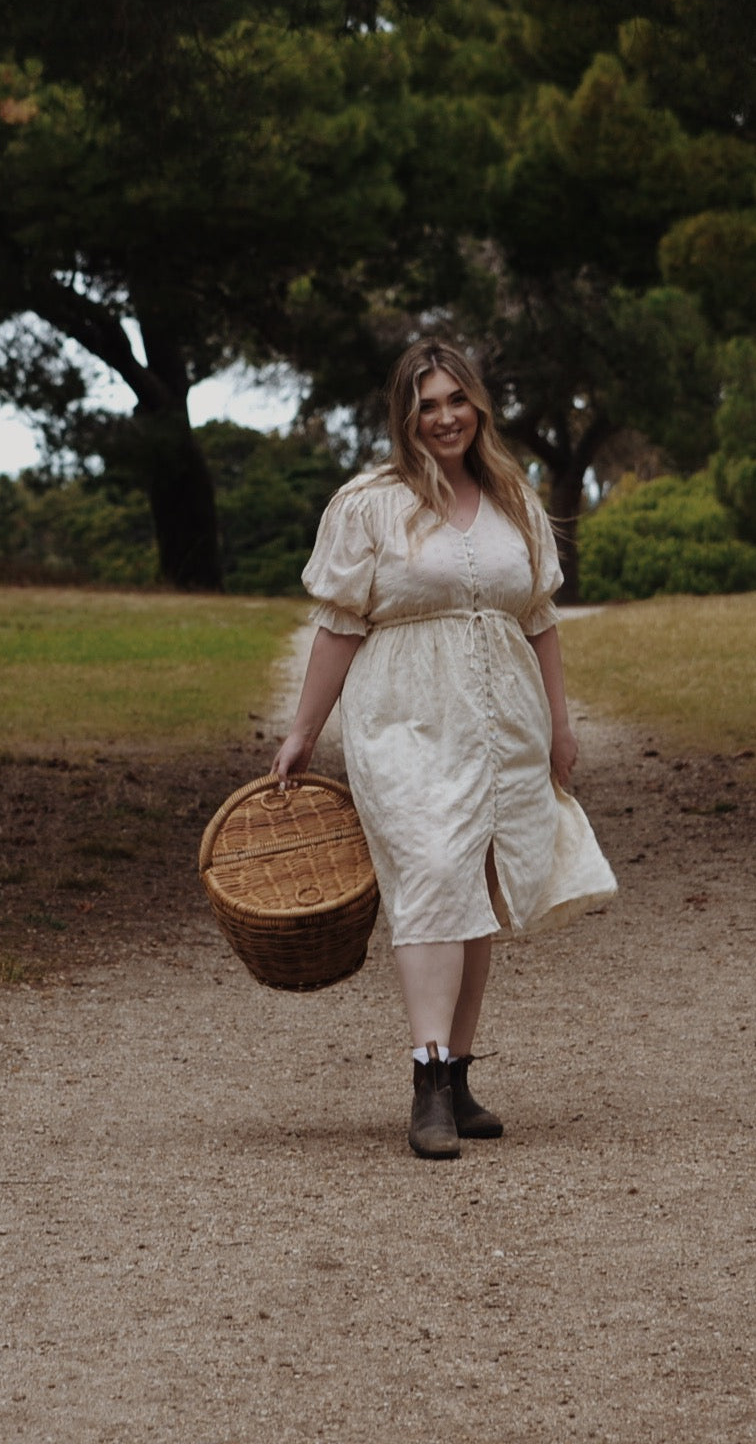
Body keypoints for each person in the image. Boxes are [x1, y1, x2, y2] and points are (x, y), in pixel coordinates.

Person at [272, 338, 616, 1158]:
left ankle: (457, 1078)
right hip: (405, 716)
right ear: (405, 416)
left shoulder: (513, 501)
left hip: (504, 721)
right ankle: (425, 1075)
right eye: (426, 404)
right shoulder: (370, 504)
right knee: (429, 869)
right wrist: (301, 732)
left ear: (478, 406)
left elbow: (539, 621)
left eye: (455, 399)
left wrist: (561, 727)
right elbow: (338, 624)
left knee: (475, 889)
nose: (444, 417)